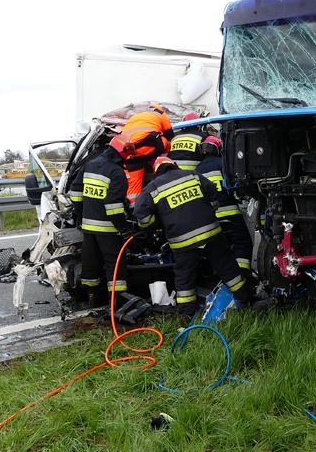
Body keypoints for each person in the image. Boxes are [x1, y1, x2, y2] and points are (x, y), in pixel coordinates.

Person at [133, 156, 250, 316]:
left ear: (156, 172)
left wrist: (158, 223)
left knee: (184, 276)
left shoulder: (153, 187)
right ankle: (246, 299)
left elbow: (143, 217)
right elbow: (213, 195)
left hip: (182, 241)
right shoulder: (192, 174)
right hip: (210, 231)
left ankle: (187, 315)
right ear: (174, 165)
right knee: (227, 266)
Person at [69, 143, 132, 305]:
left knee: (91, 262)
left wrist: (82, 214)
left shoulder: (89, 165)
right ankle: (117, 302)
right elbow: (113, 207)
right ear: (123, 154)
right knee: (115, 263)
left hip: (89, 227)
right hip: (109, 230)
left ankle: (92, 297)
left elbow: (75, 192)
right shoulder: (116, 172)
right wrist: (124, 229)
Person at [194, 135, 253, 273]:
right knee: (242, 243)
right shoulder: (223, 164)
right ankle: (243, 273)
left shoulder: (196, 171)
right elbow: (234, 185)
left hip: (210, 217)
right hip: (230, 212)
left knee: (217, 247)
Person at [111, 104, 174, 203]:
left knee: (133, 186)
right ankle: (161, 162)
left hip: (129, 153)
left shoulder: (134, 117)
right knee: (166, 141)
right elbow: (170, 135)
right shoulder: (161, 114)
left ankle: (133, 208)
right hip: (148, 146)